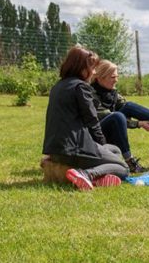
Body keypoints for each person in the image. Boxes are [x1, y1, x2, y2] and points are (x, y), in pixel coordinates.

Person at [42, 46, 129, 191]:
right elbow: (92, 122)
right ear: (82, 68)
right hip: (75, 149)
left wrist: (103, 149)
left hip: (55, 150)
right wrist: (100, 145)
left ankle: (98, 179)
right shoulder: (81, 87)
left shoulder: (58, 86)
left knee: (114, 150)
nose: (94, 73)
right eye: (92, 68)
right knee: (123, 167)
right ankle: (87, 174)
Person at [91, 60, 149, 173]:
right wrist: (138, 124)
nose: (116, 80)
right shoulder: (91, 94)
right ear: (100, 77)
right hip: (96, 136)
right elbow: (111, 117)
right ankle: (129, 161)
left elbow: (126, 107)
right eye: (112, 77)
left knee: (128, 106)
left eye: (117, 76)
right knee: (117, 116)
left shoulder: (111, 92)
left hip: (110, 129)